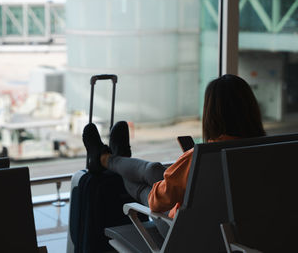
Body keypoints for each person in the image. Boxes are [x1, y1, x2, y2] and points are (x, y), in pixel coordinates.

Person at [82, 74, 266, 219]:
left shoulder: (198, 158)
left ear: (212, 115)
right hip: (235, 225)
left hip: (181, 230)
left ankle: (104, 159)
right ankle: (115, 157)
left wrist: (185, 165)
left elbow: (156, 203)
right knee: (153, 170)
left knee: (136, 180)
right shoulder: (268, 150)